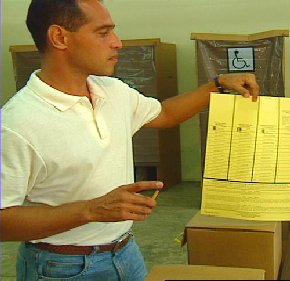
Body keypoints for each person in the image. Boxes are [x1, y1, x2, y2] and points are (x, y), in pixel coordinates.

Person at [0, 0, 260, 280]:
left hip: (125, 252)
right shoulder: (17, 124)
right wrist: (90, 209)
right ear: (60, 37)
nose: (117, 43)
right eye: (103, 33)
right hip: (60, 267)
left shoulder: (112, 91)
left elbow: (165, 113)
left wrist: (217, 85)